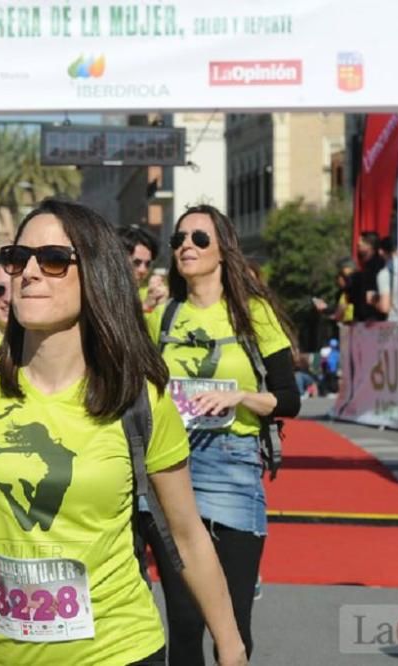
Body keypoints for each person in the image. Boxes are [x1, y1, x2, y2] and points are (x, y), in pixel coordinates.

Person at [0, 199, 247, 666]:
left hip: (119, 650)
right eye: (17, 258)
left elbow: (187, 535)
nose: (27, 273)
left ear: (96, 273)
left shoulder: (140, 399)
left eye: (51, 260)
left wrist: (230, 647)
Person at [146, 204, 300, 664]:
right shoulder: (163, 317)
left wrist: (239, 398)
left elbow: (288, 399)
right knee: (185, 621)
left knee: (231, 625)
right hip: (172, 467)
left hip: (233, 463)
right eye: (178, 241)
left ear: (222, 249)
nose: (185, 248)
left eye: (198, 239)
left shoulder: (255, 315)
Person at [120, 224, 168, 312]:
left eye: (147, 264)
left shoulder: (148, 293)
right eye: (136, 263)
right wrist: (145, 306)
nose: (143, 270)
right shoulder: (98, 292)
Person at [347, 231, 385, 322]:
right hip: (363, 319)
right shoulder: (365, 268)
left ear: (370, 246)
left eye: (362, 241)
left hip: (375, 319)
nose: (358, 244)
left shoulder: (379, 266)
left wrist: (374, 314)